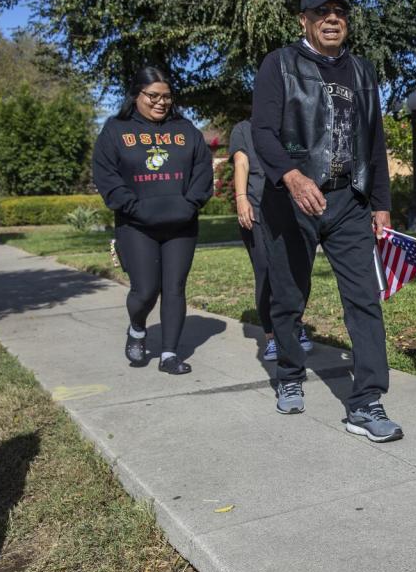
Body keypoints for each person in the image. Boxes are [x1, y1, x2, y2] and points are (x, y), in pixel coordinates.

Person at [251, 0, 402, 442]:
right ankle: (291, 373)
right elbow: (263, 132)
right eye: (321, 12)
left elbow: (374, 142)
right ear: (305, 21)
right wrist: (292, 178)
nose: (332, 19)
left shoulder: (361, 71)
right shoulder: (279, 64)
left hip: (347, 201)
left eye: (339, 12)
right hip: (291, 200)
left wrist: (380, 204)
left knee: (363, 299)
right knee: (290, 295)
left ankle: (367, 401)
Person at [93, 66, 213, 375]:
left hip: (181, 224)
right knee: (145, 290)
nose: (161, 102)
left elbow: (203, 171)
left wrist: (191, 204)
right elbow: (107, 177)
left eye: (167, 97)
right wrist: (134, 207)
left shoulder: (186, 130)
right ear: (136, 96)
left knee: (174, 288)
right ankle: (137, 327)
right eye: (153, 96)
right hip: (136, 224)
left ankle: (169, 355)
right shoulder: (115, 130)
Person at [230, 119, 314, 361]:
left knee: (298, 273)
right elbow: (241, 163)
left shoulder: (294, 122)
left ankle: (293, 327)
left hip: (294, 210)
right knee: (266, 272)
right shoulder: (244, 129)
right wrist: (241, 198)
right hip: (256, 209)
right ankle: (271, 336)